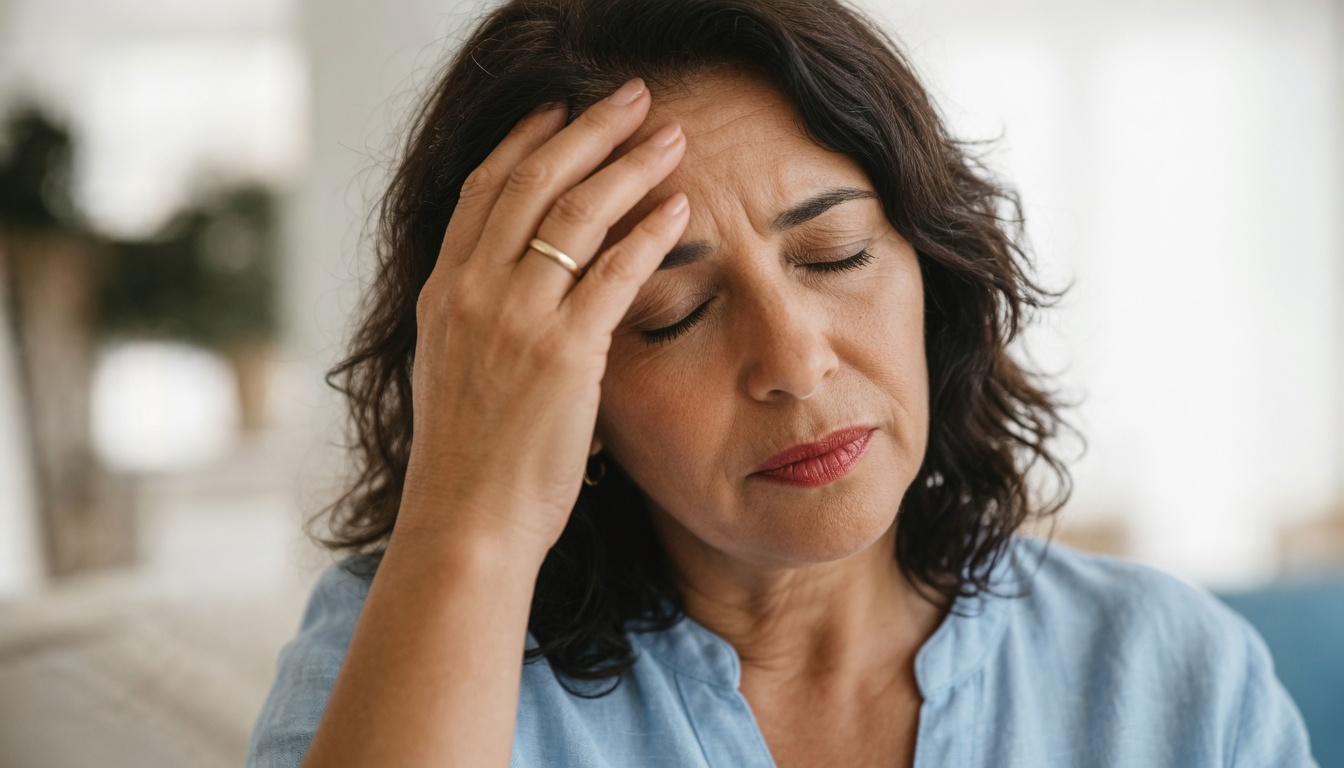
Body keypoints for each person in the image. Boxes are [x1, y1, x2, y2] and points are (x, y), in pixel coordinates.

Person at [247, 0, 1317, 765]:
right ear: (552, 384)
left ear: (933, 272)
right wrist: (468, 517)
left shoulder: (1171, 675)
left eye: (835, 256)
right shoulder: (400, 641)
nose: (797, 364)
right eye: (673, 314)